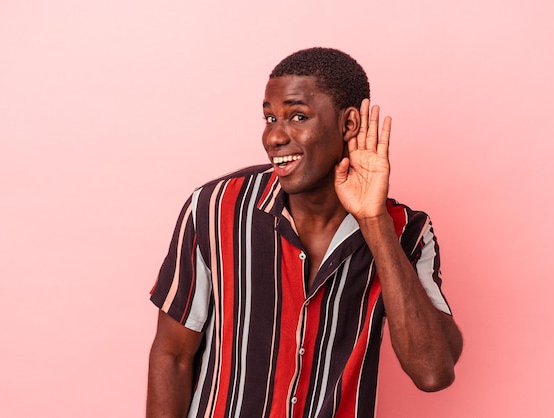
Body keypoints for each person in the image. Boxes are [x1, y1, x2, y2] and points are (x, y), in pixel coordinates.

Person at [147, 47, 463, 418]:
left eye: (297, 116)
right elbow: (173, 355)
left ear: (348, 125)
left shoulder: (408, 232)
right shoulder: (215, 209)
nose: (274, 137)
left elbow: (433, 372)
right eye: (269, 118)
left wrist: (374, 222)